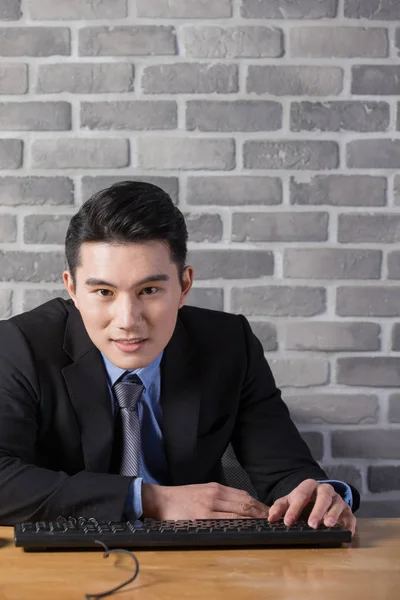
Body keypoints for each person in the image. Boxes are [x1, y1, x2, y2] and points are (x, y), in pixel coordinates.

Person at [0, 181, 358, 532]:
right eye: (104, 292)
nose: (127, 320)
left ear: (184, 285)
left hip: (194, 559)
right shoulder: (20, 346)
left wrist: (316, 496)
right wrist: (151, 499)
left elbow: (285, 472)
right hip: (59, 558)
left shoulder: (229, 345)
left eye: (150, 290)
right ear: (72, 288)